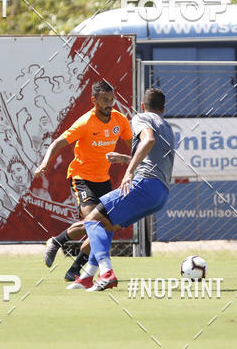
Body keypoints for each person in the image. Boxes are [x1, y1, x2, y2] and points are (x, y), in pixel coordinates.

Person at [66, 88, 174, 291]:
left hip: (145, 184)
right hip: (161, 192)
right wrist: (125, 159)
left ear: (142, 106)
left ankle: (106, 273)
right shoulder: (166, 126)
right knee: (107, 224)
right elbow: (154, 159)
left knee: (92, 220)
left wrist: (129, 171)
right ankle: (87, 276)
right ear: (163, 109)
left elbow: (148, 140)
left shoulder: (141, 118)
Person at [34, 81, 132, 281]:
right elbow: (58, 142)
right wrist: (45, 162)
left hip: (103, 180)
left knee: (106, 227)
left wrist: (128, 159)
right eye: (105, 100)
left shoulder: (120, 120)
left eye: (112, 100)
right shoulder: (85, 122)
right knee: (94, 223)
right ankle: (57, 242)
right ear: (94, 100)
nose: (109, 104)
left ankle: (73, 269)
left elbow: (134, 148)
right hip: (82, 178)